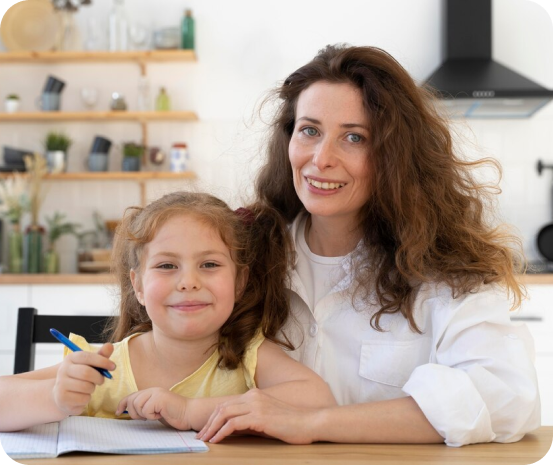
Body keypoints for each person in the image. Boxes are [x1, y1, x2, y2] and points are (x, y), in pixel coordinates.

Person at [196, 44, 540, 447]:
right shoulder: (242, 256)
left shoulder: (445, 269)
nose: (321, 159)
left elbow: (507, 397)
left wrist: (313, 423)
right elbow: (162, 353)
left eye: (354, 137)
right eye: (309, 130)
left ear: (395, 155)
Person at [0, 191, 336, 432]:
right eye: (166, 265)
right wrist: (54, 397)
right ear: (139, 287)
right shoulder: (102, 366)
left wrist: (192, 410)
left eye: (209, 264)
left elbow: (318, 399)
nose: (188, 282)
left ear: (239, 281)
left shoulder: (250, 356)